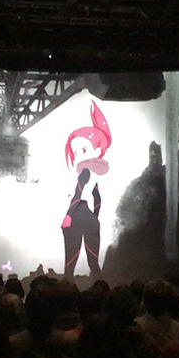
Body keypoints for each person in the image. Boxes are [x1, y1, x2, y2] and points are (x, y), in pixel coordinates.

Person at [61, 101, 111, 278]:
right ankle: (102, 288)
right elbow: (97, 198)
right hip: (90, 219)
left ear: (96, 150)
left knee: (70, 263)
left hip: (77, 216)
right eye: (75, 152)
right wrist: (94, 217)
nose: (78, 156)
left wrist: (68, 216)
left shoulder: (85, 173)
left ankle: (67, 290)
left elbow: (77, 194)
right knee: (93, 263)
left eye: (83, 150)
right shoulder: (94, 174)